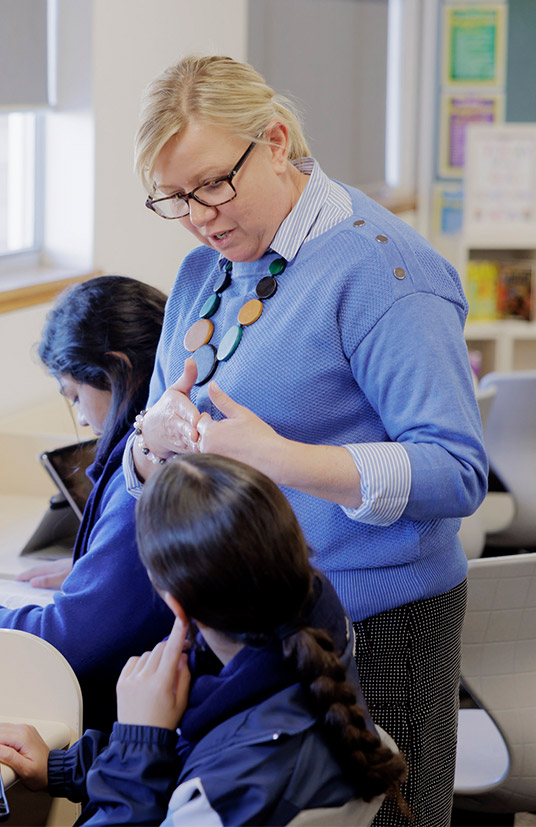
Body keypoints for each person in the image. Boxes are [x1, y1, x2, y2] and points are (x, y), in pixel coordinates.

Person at [122, 56, 489, 826]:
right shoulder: (204, 270)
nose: (199, 215)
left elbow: (456, 470)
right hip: (253, 628)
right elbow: (149, 443)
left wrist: (282, 458)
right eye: (174, 198)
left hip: (377, 624)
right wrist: (152, 443)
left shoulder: (383, 268)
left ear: (276, 141)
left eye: (213, 184)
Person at [0, 454, 408, 826]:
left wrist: (138, 739)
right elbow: (194, 746)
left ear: (176, 606)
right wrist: (63, 767)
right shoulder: (313, 641)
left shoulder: (218, 795)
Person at [0, 276, 173, 732]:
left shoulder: (145, 473)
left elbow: (64, 642)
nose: (81, 417)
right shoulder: (164, 442)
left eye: (75, 395)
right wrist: (100, 572)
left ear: (118, 370)